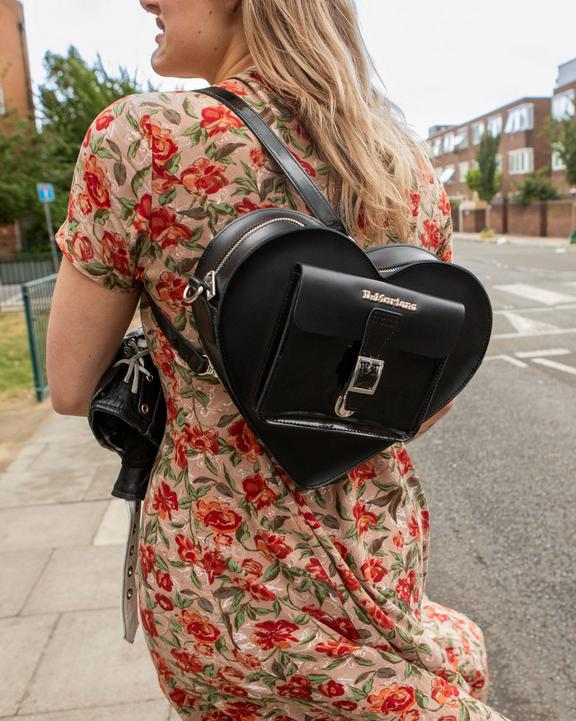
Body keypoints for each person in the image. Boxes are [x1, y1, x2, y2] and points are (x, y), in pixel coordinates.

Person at [46, 1, 510, 720]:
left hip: (221, 586)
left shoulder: (141, 138)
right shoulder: (405, 165)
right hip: (376, 558)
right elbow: (427, 400)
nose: (145, 1)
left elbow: (72, 385)